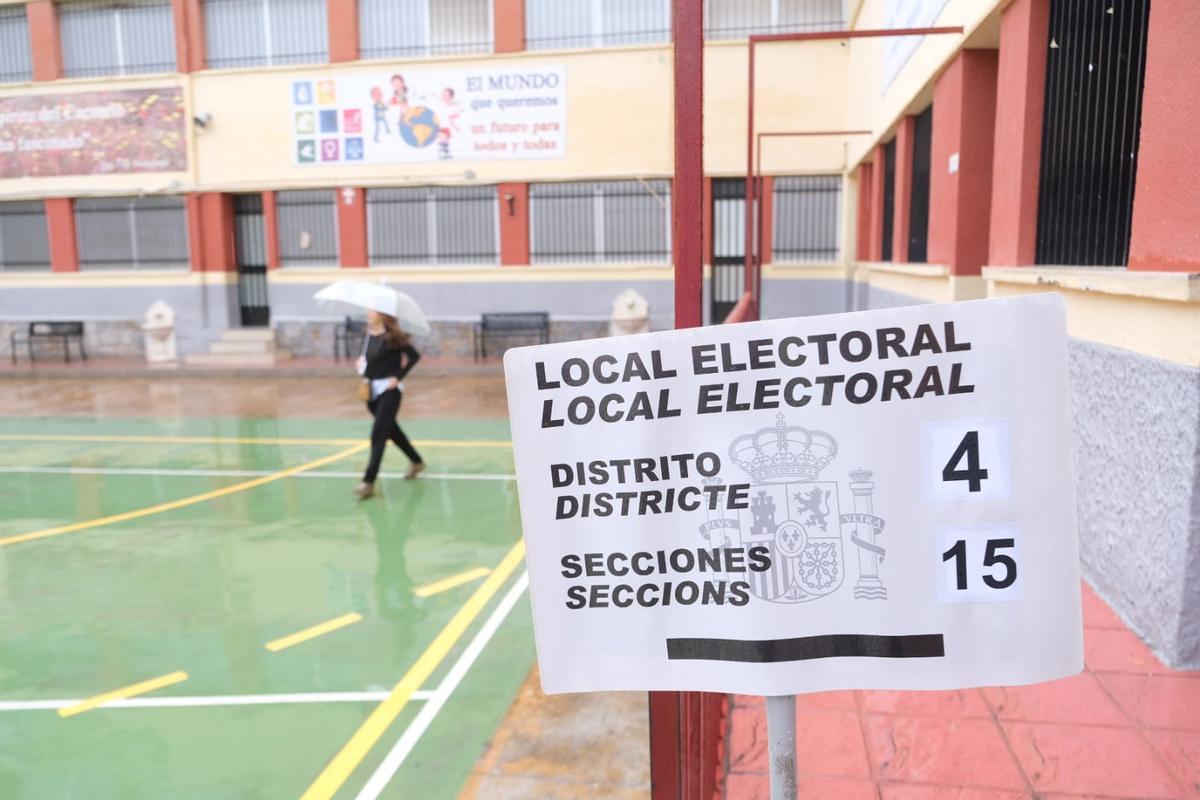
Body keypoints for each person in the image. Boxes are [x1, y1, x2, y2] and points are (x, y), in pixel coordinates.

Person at [355, 309, 424, 498]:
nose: (369, 312)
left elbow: (414, 356)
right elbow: (368, 361)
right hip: (371, 393)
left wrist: (398, 377)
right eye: (368, 309)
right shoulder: (367, 335)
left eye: (373, 310)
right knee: (392, 431)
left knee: (378, 434)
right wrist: (362, 365)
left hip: (390, 392)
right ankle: (417, 461)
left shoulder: (393, 337)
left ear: (383, 314)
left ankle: (368, 481)